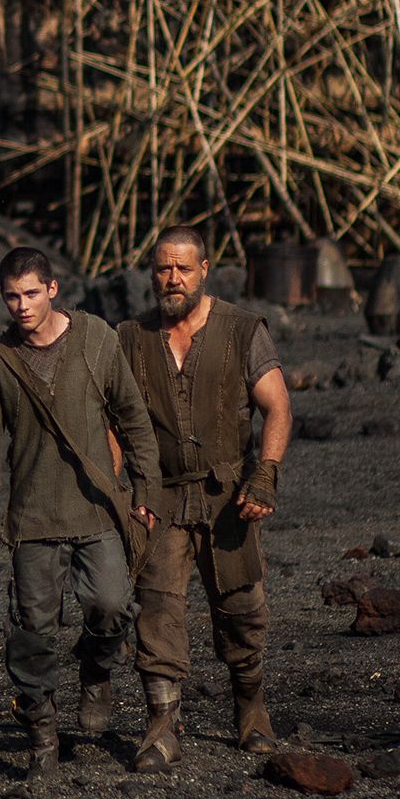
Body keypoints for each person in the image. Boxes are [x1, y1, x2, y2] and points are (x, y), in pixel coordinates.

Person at [0, 245, 161, 776]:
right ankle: (43, 740)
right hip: (31, 521)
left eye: (31, 293)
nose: (22, 306)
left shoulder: (97, 338)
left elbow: (133, 415)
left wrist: (147, 489)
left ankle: (97, 668)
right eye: (12, 296)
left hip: (96, 510)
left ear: (52, 289)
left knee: (112, 606)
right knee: (32, 633)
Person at [116, 225, 295, 770]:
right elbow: (114, 423)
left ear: (204, 269)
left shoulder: (243, 330)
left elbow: (279, 407)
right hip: (160, 498)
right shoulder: (131, 337)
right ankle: (162, 726)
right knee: (158, 609)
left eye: (182, 269)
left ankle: (252, 710)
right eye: (162, 270)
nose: (172, 279)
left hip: (228, 500)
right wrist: (116, 492)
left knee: (242, 608)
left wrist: (265, 475)